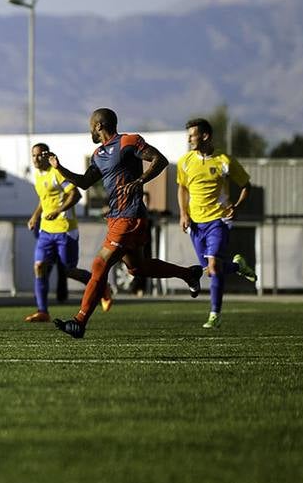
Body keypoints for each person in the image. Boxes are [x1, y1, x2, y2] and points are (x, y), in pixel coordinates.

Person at [48, 108, 204, 339]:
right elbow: (83, 182)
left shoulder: (129, 141)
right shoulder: (98, 154)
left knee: (100, 265)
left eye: (91, 125)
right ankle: (189, 274)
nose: (90, 129)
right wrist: (59, 168)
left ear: (99, 125)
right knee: (137, 268)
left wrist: (140, 180)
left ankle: (79, 322)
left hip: (130, 216)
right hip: (116, 217)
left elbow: (159, 160)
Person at [176, 118, 258, 328]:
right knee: (210, 269)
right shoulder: (185, 161)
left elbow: (246, 186)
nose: (189, 139)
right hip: (195, 223)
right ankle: (238, 266)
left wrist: (236, 207)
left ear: (205, 136)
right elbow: (182, 189)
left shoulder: (224, 160)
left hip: (218, 221)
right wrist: (183, 213)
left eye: (192, 135)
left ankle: (215, 314)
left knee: (213, 266)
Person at [24, 142, 106, 324]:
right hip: (46, 230)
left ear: (46, 156)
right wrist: (35, 216)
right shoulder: (38, 175)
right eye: (33, 155)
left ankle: (102, 287)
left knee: (69, 271)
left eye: (39, 155)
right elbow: (44, 199)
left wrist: (58, 210)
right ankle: (43, 311)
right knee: (39, 266)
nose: (36, 159)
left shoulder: (58, 173)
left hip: (65, 229)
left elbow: (75, 195)